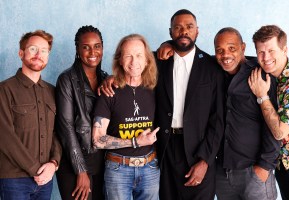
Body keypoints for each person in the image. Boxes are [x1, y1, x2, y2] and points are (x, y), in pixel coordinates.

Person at [157, 26, 280, 200]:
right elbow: (189, 52)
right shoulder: (213, 71)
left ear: (243, 48)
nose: (226, 55)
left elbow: (272, 123)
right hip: (223, 173)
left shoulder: (260, 76)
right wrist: (170, 43)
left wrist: (265, 167)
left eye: (232, 48)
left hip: (253, 171)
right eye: (219, 50)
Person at [153, 9, 224, 200]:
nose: (184, 31)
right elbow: (128, 65)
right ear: (171, 33)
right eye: (178, 27)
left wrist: (205, 161)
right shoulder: (156, 62)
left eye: (189, 27)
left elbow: (218, 120)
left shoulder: (212, 68)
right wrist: (111, 80)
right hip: (166, 150)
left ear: (197, 31)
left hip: (199, 151)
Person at [92, 34, 160, 200]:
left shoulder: (156, 90)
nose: (134, 62)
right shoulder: (109, 92)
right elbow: (97, 139)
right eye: (128, 56)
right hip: (118, 169)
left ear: (147, 60)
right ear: (120, 60)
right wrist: (135, 142)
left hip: (150, 168)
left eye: (139, 56)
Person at [0, 30, 61, 200]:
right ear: (21, 53)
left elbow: (58, 133)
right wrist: (36, 169)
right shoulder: (4, 90)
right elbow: (5, 137)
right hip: (13, 180)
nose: (38, 54)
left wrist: (53, 163)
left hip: (46, 180)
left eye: (44, 50)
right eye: (33, 49)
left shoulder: (52, 92)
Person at [55, 25, 108, 200]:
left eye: (97, 46)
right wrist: (81, 170)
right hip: (73, 162)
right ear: (77, 49)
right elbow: (66, 127)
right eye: (86, 46)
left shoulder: (107, 79)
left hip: (101, 161)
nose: (92, 51)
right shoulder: (66, 79)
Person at [248, 25, 289, 200]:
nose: (266, 58)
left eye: (271, 51)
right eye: (260, 52)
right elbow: (233, 60)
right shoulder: (269, 73)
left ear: (284, 50)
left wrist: (262, 95)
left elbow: (279, 132)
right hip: (284, 167)